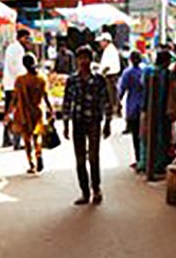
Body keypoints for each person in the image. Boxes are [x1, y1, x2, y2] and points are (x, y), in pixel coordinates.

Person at [63, 46, 113, 205]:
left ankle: (96, 189)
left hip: (94, 122)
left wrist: (108, 123)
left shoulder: (99, 80)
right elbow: (67, 102)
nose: (83, 61)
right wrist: (65, 124)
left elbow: (106, 101)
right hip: (77, 122)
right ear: (77, 60)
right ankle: (84, 192)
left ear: (91, 60)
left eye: (86, 58)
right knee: (79, 160)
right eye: (80, 58)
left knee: (93, 157)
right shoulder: (72, 81)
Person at [139, 50, 176, 179]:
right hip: (162, 111)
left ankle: (147, 163)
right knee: (161, 137)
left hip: (148, 109)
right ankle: (157, 165)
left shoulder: (147, 71)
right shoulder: (167, 74)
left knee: (147, 137)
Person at [9, 54, 54, 174]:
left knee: (27, 139)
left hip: (24, 112)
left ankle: (31, 164)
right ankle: (39, 154)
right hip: (38, 111)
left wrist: (9, 112)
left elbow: (14, 98)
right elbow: (46, 96)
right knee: (37, 136)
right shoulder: (41, 78)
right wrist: (51, 110)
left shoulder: (20, 80)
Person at [3, 28, 32, 148]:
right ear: (20, 38)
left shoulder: (13, 48)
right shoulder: (17, 49)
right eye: (26, 38)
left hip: (10, 83)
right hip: (14, 85)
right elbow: (16, 67)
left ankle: (7, 138)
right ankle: (14, 139)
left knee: (10, 112)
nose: (27, 41)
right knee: (16, 113)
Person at [118, 51, 146, 167]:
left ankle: (139, 159)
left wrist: (117, 102)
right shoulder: (144, 71)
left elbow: (122, 89)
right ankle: (143, 159)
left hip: (133, 107)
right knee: (144, 135)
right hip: (144, 106)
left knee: (135, 135)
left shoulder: (127, 73)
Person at [98, 32, 122, 116]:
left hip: (110, 75)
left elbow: (107, 66)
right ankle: (114, 109)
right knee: (112, 94)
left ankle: (114, 110)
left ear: (106, 41)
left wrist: (101, 73)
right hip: (109, 75)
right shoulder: (108, 50)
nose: (100, 44)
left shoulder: (110, 50)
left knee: (111, 94)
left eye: (101, 41)